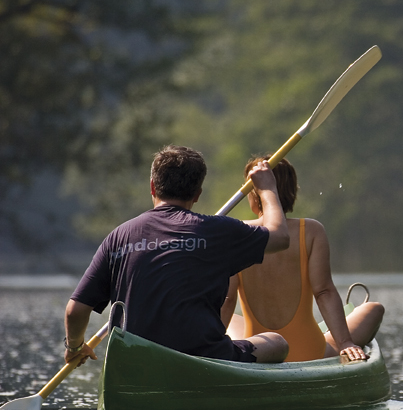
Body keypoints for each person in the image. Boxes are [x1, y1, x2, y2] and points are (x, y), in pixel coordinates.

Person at [63, 145, 291, 367]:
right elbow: (280, 236)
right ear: (198, 194)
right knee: (276, 343)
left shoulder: (118, 237)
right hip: (202, 358)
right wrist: (267, 188)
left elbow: (75, 311)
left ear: (152, 187)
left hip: (133, 361)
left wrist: (74, 347)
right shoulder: (219, 231)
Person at [223, 156, 384, 363]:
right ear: (292, 193)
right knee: (374, 308)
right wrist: (345, 343)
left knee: (233, 322)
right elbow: (324, 291)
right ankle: (335, 338)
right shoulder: (311, 231)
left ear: (254, 194)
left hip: (258, 350)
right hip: (308, 351)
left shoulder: (235, 232)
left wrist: (212, 348)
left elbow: (227, 300)